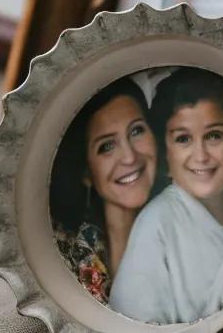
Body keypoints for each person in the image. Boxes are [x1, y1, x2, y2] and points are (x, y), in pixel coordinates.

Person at [108, 70, 223, 325]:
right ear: (165, 150)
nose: (200, 156)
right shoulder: (158, 223)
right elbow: (136, 319)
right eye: (183, 139)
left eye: (214, 136)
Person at [50, 76, 158, 303]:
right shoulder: (63, 256)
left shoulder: (187, 224)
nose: (129, 157)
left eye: (137, 131)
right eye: (106, 146)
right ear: (86, 172)